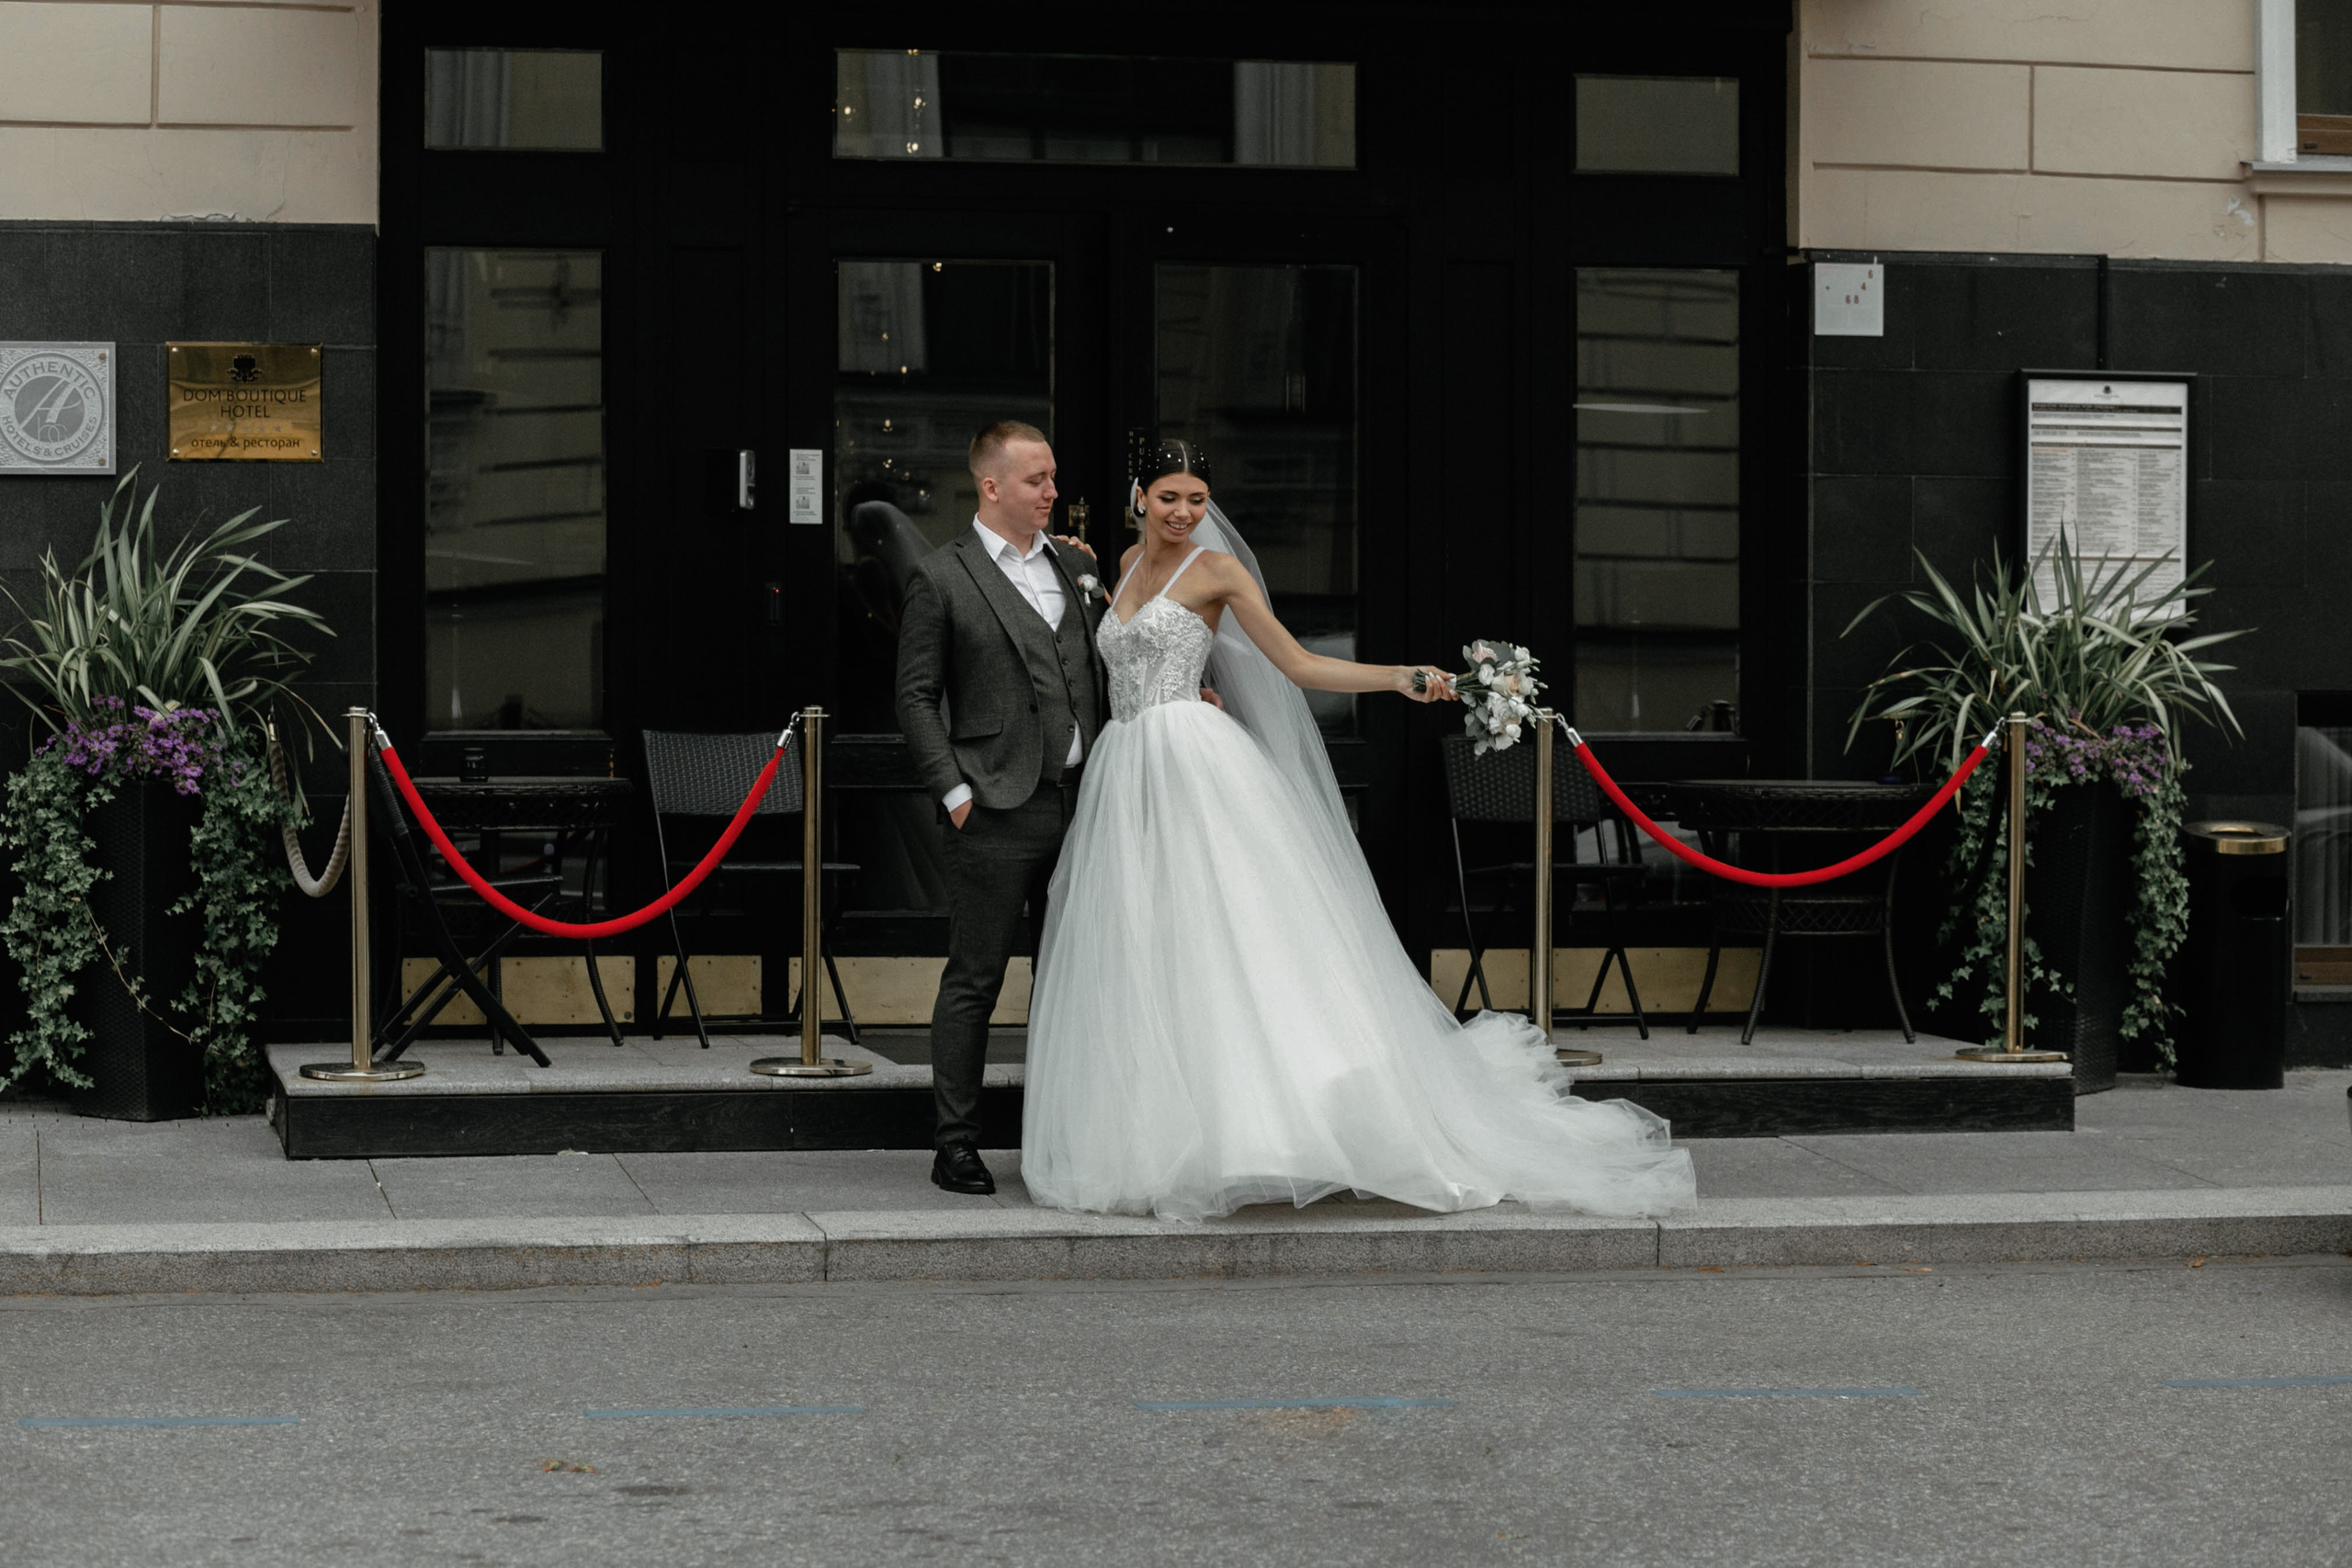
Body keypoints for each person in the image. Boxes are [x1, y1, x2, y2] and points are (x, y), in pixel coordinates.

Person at [1019, 437, 1697, 1222]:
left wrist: (1401, 678)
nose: (1184, 512)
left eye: (1198, 499)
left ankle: (1276, 1128)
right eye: (1170, 497)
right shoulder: (1119, 565)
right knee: (1145, 943)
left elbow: (1298, 664)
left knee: (1225, 937)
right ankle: (1156, 1129)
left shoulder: (1218, 571)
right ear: (1140, 496)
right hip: (1125, 769)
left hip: (1192, 765)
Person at [895, 421, 1109, 1196]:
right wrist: (955, 794)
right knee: (975, 979)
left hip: (1082, 806)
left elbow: (1102, 669)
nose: (1053, 490)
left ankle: (1062, 1139)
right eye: (1036, 479)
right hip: (991, 811)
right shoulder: (941, 576)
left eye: (1052, 476)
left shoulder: (1077, 567)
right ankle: (955, 1143)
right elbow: (915, 697)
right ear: (991, 486)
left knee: (1072, 979)